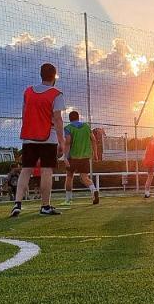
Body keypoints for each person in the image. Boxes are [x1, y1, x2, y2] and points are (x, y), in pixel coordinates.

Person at [12, 63, 64, 217]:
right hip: (48, 137)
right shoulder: (56, 93)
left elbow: (24, 113)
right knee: (46, 170)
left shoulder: (28, 92)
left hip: (29, 137)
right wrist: (62, 142)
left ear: (40, 75)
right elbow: (58, 119)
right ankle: (45, 206)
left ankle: (17, 204)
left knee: (26, 170)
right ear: (54, 76)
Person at [63, 110, 100, 205]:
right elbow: (94, 140)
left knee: (69, 177)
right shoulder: (87, 127)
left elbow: (67, 142)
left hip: (73, 157)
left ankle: (68, 200)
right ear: (78, 117)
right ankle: (94, 190)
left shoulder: (68, 128)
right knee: (85, 178)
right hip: (85, 157)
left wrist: (65, 157)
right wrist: (95, 154)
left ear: (69, 119)